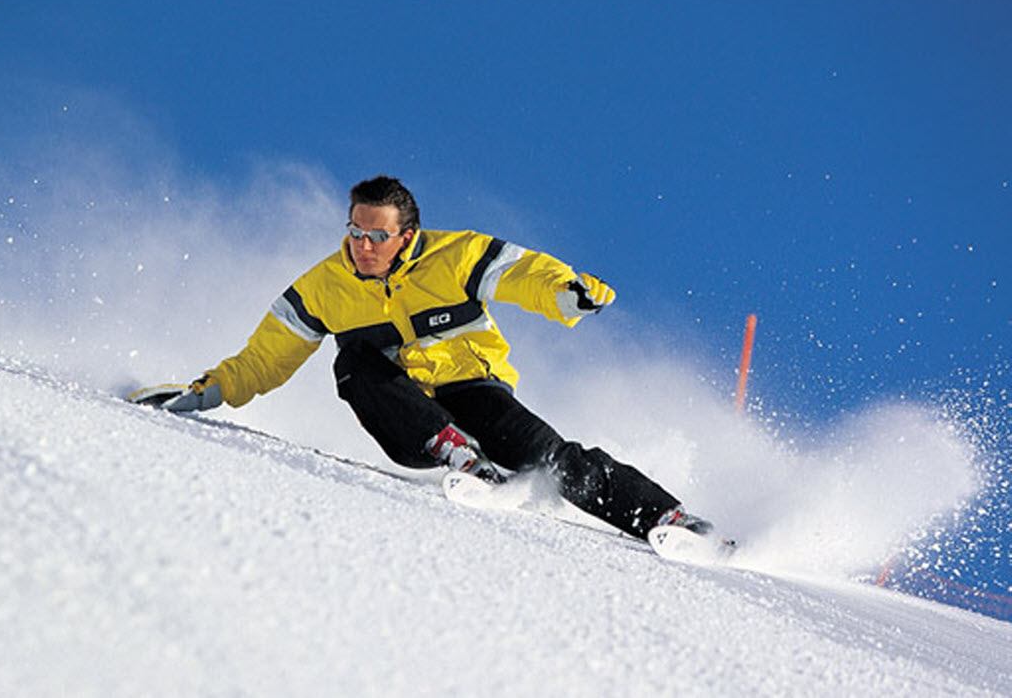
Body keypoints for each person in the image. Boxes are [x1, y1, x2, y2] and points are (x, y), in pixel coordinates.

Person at [146, 175, 716, 542]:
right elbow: (266, 356)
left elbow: (522, 272)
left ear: (408, 236)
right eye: (354, 233)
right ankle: (458, 454)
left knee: (549, 456)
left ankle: (667, 519)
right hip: (407, 415)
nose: (362, 247)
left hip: (472, 386)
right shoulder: (326, 285)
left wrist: (567, 291)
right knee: (353, 362)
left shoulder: (454, 256)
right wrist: (211, 391)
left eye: (376, 236)